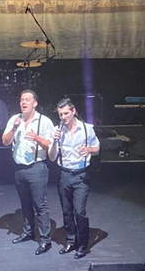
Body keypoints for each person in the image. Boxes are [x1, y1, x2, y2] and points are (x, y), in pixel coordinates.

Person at [1, 89, 57, 255]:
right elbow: (5, 141)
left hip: (37, 168)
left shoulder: (44, 121)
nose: (23, 103)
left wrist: (38, 138)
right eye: (21, 100)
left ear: (35, 103)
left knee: (40, 205)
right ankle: (27, 232)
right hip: (19, 168)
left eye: (27, 100)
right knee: (25, 204)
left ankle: (45, 240)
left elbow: (52, 145)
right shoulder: (14, 119)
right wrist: (14, 128)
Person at [50, 98, 100, 258]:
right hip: (64, 174)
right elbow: (52, 157)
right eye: (60, 114)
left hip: (81, 175)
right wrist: (54, 141)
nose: (63, 117)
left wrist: (89, 149)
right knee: (66, 211)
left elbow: (97, 149)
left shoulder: (86, 129)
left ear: (73, 111)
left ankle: (83, 245)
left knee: (80, 211)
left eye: (66, 113)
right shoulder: (57, 130)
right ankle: (71, 241)